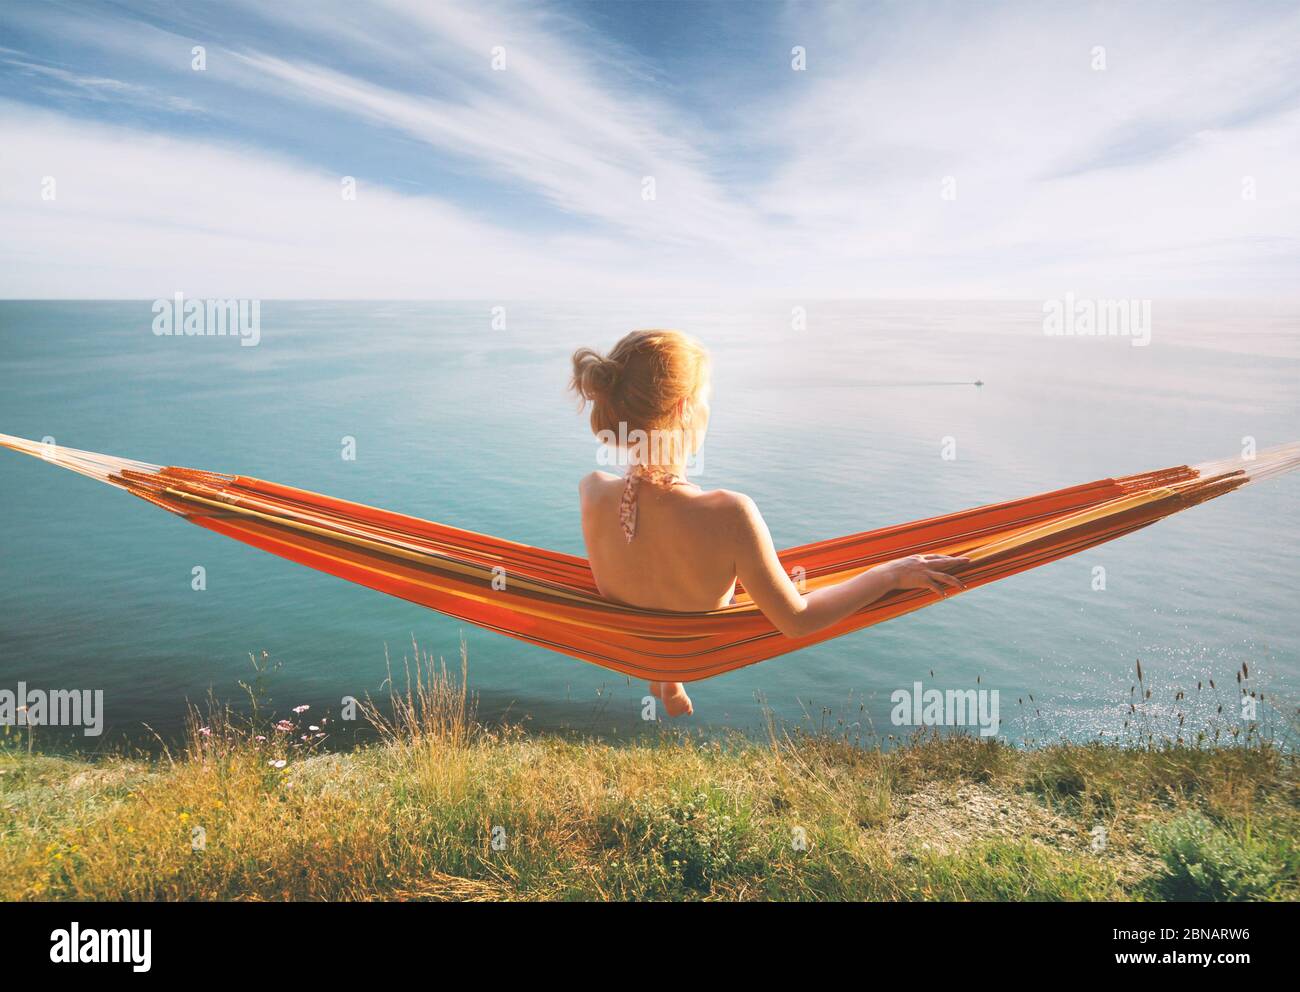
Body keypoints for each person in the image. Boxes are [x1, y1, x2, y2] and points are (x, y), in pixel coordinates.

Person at [571, 329, 969, 717]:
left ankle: (664, 675)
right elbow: (797, 620)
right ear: (683, 410)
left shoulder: (592, 492)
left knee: (661, 579)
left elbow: (648, 556)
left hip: (640, 643)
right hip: (693, 644)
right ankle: (669, 674)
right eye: (707, 399)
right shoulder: (728, 513)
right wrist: (888, 574)